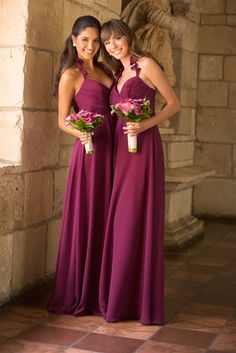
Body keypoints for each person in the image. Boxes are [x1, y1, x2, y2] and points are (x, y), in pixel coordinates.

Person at [99, 19, 180, 325]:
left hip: (143, 148)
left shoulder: (146, 64)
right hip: (121, 152)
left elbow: (174, 103)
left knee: (135, 217)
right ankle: (121, 298)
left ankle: (136, 302)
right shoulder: (117, 73)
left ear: (128, 37)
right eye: (107, 43)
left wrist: (145, 124)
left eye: (117, 39)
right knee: (121, 219)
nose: (113, 46)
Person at [48, 15, 113, 316]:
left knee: (108, 215)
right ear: (74, 40)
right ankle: (81, 292)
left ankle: (104, 287)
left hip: (114, 152)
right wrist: (82, 132)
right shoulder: (70, 76)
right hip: (89, 155)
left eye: (96, 40)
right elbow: (62, 121)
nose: (91, 45)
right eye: (85, 39)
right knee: (89, 215)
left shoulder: (104, 69)